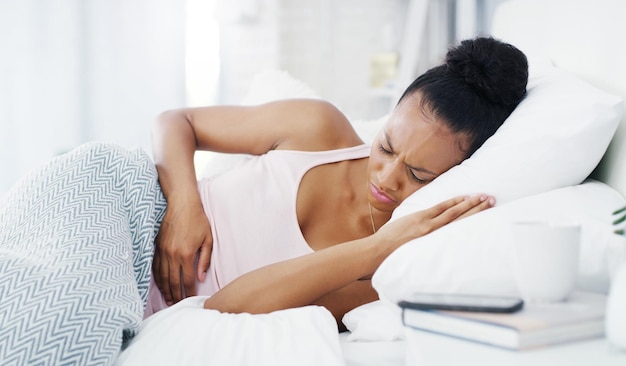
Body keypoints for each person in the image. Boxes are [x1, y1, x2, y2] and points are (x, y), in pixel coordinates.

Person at [145, 36, 529, 328]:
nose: (386, 177)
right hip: (140, 212)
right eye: (387, 146)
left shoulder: (391, 266)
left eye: (417, 175)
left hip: (143, 305)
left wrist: (379, 246)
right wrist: (183, 205)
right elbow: (177, 122)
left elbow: (224, 308)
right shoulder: (319, 128)